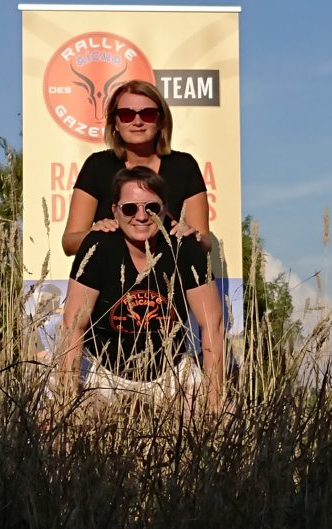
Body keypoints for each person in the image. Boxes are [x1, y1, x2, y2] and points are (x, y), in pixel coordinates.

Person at [57, 166, 225, 411]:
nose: (142, 216)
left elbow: (213, 327)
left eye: (152, 208)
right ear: (114, 211)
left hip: (170, 371)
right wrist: (66, 403)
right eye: (129, 208)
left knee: (224, 416)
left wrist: (214, 406)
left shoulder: (186, 248)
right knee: (52, 417)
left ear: (165, 209)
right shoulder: (98, 246)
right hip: (102, 371)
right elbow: (73, 326)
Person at [62, 79, 211, 257]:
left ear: (161, 120)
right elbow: (69, 244)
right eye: (126, 114)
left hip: (170, 278)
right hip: (110, 278)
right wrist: (95, 235)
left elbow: (206, 243)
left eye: (148, 114)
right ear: (115, 123)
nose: (137, 121)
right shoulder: (97, 166)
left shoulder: (183, 166)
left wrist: (193, 237)